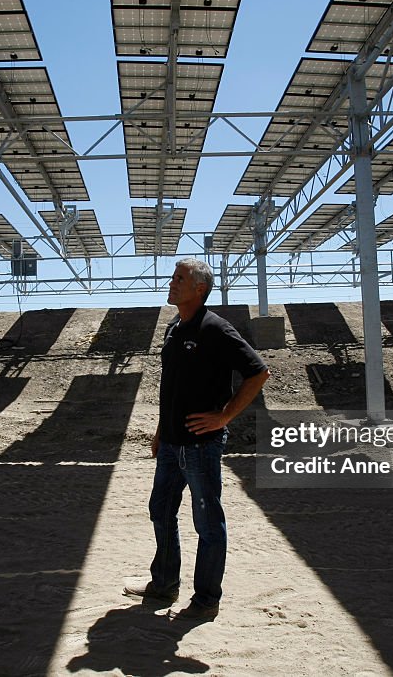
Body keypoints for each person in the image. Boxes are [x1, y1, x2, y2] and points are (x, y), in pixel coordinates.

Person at [125, 258, 270, 620]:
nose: (171, 283)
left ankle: (206, 600)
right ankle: (163, 584)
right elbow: (171, 388)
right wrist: (160, 430)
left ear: (200, 289)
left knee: (207, 523)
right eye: (174, 277)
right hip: (172, 445)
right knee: (160, 509)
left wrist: (224, 417)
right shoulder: (174, 328)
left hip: (201, 447)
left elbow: (258, 373)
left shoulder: (215, 328)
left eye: (180, 278)